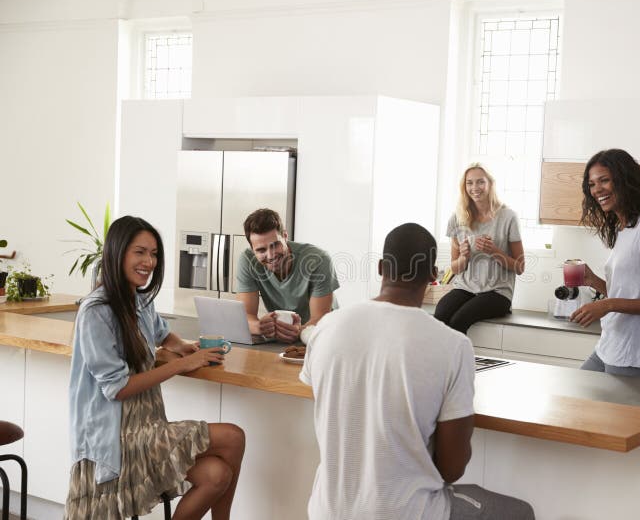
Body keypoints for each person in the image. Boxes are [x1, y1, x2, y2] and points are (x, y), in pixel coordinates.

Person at [300, 222, 535, 520]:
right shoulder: (453, 345)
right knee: (519, 513)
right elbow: (451, 468)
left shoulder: (326, 328)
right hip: (409, 512)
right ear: (434, 275)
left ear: (381, 267)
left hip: (326, 511)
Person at [65, 216, 245, 520]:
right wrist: (184, 364)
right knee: (233, 437)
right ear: (117, 252)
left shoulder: (139, 300)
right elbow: (117, 388)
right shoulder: (96, 311)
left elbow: (161, 332)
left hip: (148, 425)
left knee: (216, 475)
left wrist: (181, 346)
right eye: (140, 252)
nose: (149, 261)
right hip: (117, 437)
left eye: (154, 253)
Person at [570, 149, 640, 379]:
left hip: (632, 355)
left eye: (604, 180)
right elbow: (630, 293)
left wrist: (607, 305)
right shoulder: (626, 228)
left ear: (624, 180)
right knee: (574, 400)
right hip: (609, 347)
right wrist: (593, 280)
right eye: (592, 184)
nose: (597, 189)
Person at [435, 163, 525, 334]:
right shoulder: (457, 218)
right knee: (439, 316)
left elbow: (520, 267)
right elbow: (454, 268)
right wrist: (464, 257)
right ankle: (437, 360)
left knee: (458, 321)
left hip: (498, 292)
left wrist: (494, 251)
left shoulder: (508, 217)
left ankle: (456, 361)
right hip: (465, 288)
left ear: (490, 184)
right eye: (469, 183)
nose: (475, 188)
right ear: (464, 186)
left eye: (480, 182)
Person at [235, 208, 339, 343]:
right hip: (283, 339)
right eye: (261, 250)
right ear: (252, 249)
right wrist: (260, 327)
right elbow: (245, 316)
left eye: (275, 245)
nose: (271, 255)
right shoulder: (247, 260)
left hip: (321, 336)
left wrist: (299, 331)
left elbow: (320, 318)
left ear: (285, 236)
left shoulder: (318, 259)